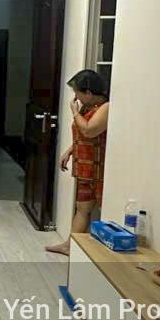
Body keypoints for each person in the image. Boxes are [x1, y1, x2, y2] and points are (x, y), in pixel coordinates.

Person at [47, 68, 109, 256]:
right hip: (84, 167)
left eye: (77, 93)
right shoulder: (87, 108)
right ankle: (70, 245)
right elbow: (82, 134)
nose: (76, 97)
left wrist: (74, 112)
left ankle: (99, 255)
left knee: (104, 208)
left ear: (88, 93)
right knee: (82, 208)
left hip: (99, 169)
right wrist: (70, 151)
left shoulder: (105, 108)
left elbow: (89, 130)